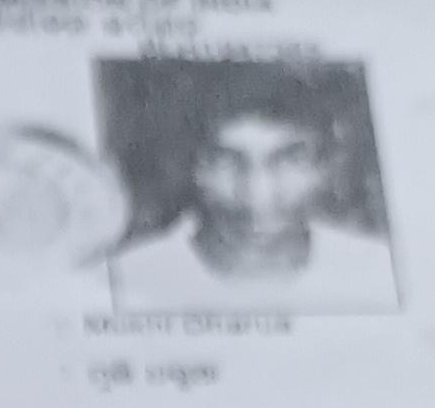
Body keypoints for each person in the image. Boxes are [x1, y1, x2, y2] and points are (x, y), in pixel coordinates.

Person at [105, 84, 398, 310]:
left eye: (290, 160)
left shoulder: (379, 272)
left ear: (329, 165)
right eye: (224, 162)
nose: (257, 194)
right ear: (190, 166)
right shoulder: (123, 279)